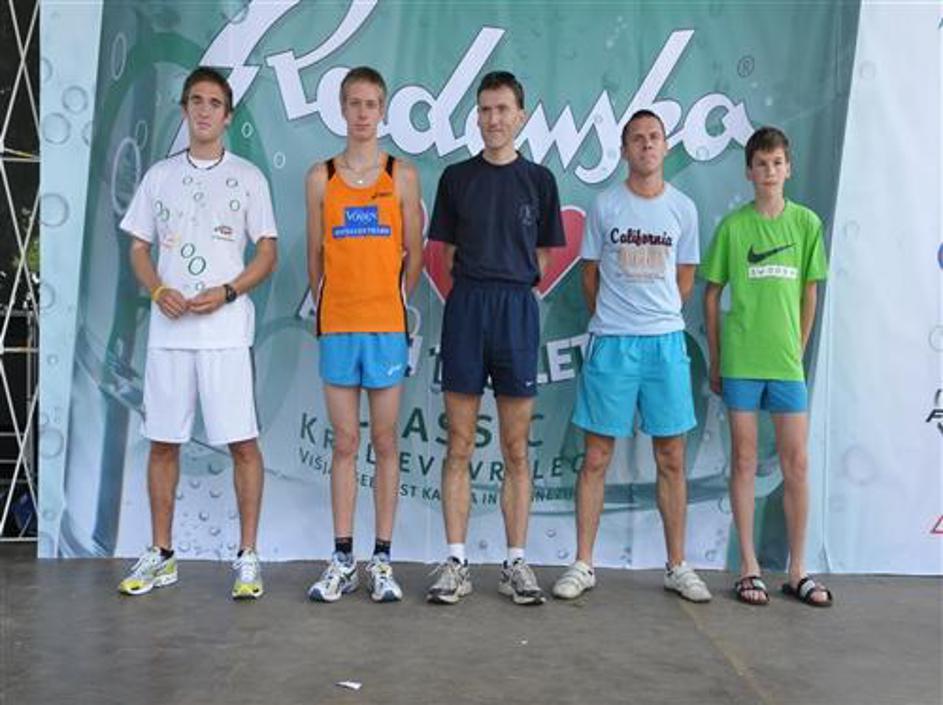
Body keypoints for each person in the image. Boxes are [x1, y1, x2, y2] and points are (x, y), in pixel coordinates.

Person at [117, 66, 278, 599]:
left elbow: (268, 252)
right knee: (163, 444)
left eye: (214, 103)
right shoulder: (159, 177)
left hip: (226, 335)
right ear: (184, 109)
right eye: (196, 101)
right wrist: (158, 289)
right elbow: (138, 246)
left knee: (243, 444)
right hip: (169, 335)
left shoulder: (249, 177)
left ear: (228, 116)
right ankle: (162, 555)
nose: (204, 110)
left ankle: (248, 557)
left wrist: (229, 291)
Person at [552, 110, 711, 603]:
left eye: (654, 137)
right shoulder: (605, 206)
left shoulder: (683, 209)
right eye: (637, 138)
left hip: (665, 345)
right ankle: (583, 563)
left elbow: (686, 277)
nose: (646, 145)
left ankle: (678, 565)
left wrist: (657, 315)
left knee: (672, 457)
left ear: (665, 147)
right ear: (623, 150)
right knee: (596, 456)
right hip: (612, 343)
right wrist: (617, 319)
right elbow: (589, 276)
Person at [425, 71, 566, 605]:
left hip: (516, 311)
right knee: (459, 444)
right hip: (467, 308)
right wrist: (481, 284)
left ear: (520, 116)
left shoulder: (540, 180)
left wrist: (510, 283)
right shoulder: (456, 178)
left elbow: (544, 257)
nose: (493, 119)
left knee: (516, 448)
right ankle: (456, 562)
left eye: (503, 109)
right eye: (485, 110)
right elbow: (446, 255)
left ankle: (515, 563)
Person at [304, 66, 423, 603]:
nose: (362, 113)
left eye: (371, 104)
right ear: (341, 108)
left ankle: (382, 560)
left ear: (383, 110)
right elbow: (314, 255)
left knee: (385, 440)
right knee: (346, 441)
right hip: (338, 326)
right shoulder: (320, 176)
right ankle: (342, 559)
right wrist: (334, 305)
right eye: (354, 103)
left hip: (385, 327)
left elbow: (415, 254)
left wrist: (390, 303)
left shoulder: (402, 175)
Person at [701, 126, 832, 607]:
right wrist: (718, 358)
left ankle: (798, 570)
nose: (770, 171)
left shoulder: (806, 224)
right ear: (749, 172)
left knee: (797, 462)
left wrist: (797, 347)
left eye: (777, 163)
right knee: (744, 459)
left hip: (785, 365)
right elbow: (711, 294)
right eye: (761, 164)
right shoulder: (734, 227)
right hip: (741, 361)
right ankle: (749, 567)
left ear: (788, 168)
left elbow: (810, 292)